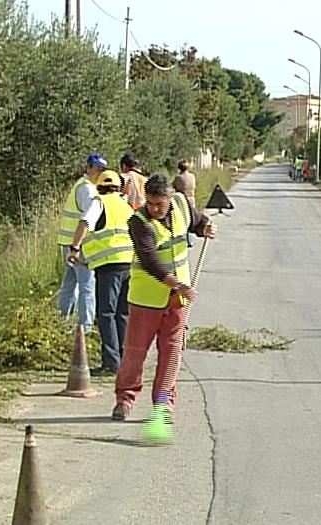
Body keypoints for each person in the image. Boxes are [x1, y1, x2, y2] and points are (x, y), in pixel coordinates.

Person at [112, 173, 217, 421]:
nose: (154, 209)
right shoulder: (138, 222)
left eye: (159, 203)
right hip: (145, 299)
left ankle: (162, 406)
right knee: (135, 353)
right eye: (150, 203)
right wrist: (177, 284)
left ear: (169, 199)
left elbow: (198, 221)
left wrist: (206, 228)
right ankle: (125, 399)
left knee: (171, 353)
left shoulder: (181, 203)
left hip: (177, 301)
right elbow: (150, 261)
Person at [68, 170, 134, 376]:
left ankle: (111, 363)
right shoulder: (126, 206)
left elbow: (85, 222)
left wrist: (75, 248)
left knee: (105, 314)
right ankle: (124, 360)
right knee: (122, 314)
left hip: (109, 265)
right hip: (129, 264)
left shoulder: (99, 203)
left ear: (99, 186)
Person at [57, 152, 108, 331]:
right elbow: (88, 217)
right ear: (88, 168)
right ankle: (85, 327)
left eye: (103, 170)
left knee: (69, 283)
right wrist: (77, 246)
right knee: (87, 284)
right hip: (79, 245)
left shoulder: (82, 185)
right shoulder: (87, 189)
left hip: (69, 242)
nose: (100, 173)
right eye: (97, 169)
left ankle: (62, 321)